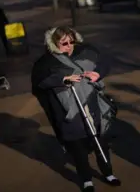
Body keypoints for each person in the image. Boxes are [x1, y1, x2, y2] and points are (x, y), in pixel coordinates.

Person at [31, 26, 121, 192]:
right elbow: (39, 82)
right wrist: (62, 79)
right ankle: (86, 179)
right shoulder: (47, 62)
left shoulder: (86, 51)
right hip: (69, 110)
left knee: (100, 140)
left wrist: (98, 74)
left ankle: (108, 173)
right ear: (54, 42)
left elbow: (106, 61)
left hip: (92, 105)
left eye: (71, 41)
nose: (69, 45)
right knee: (78, 146)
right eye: (64, 42)